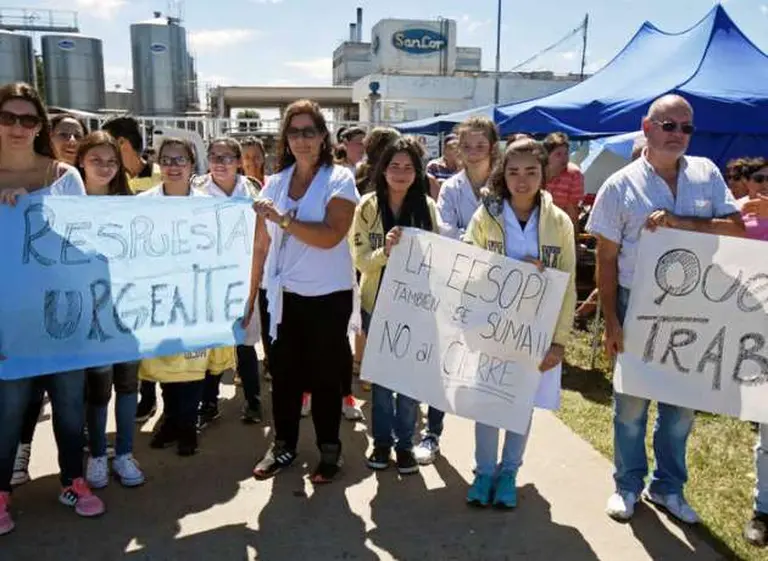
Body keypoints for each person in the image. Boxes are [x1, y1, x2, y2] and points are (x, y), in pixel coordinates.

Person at [587, 94, 744, 525]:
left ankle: (668, 487)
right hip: (635, 302)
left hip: (694, 306)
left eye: (686, 127)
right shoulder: (619, 185)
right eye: (669, 125)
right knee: (631, 407)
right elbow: (606, 258)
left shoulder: (707, 174)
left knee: (681, 409)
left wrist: (682, 223)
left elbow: (737, 229)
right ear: (647, 127)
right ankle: (627, 485)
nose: (678, 134)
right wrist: (611, 321)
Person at [0, 82, 105, 536]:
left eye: (28, 119)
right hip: (7, 320)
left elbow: (82, 244)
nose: (18, 127)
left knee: (68, 404)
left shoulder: (65, 177)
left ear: (40, 126)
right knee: (8, 409)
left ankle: (73, 480)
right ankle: (1, 492)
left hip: (63, 313)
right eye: (8, 117)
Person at [245, 99, 359, 483]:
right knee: (284, 377)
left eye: (310, 131)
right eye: (294, 132)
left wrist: (284, 221)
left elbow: (331, 236)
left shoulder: (339, 179)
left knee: (326, 377)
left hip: (328, 296)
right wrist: (251, 297)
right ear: (286, 138)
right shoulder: (275, 183)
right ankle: (283, 446)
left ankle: (329, 450)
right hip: (280, 297)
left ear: (323, 136)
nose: (302, 139)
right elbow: (261, 245)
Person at [463, 138, 576, 507]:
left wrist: (559, 340)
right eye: (513, 172)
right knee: (487, 401)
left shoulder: (558, 223)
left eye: (531, 171)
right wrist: (510, 270)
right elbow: (467, 262)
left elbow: (568, 283)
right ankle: (483, 472)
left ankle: (509, 471)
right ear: (503, 174)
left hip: (535, 332)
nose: (522, 180)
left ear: (544, 173)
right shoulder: (487, 215)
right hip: (492, 325)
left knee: (520, 403)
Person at [137, 137, 236, 456]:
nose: (173, 166)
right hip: (159, 297)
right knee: (166, 362)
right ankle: (172, 419)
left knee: (193, 363)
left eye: (180, 160)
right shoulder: (143, 203)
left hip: (198, 297)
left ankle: (187, 424)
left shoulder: (210, 205)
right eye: (166, 160)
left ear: (192, 165)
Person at [352, 137, 442, 475]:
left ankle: (405, 445)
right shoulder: (367, 206)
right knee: (381, 380)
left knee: (408, 382)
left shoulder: (427, 207)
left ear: (417, 172)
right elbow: (360, 259)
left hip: (415, 306)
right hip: (376, 303)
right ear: (382, 169)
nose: (401, 173)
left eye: (408, 167)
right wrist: (385, 252)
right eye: (394, 166)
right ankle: (381, 443)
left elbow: (438, 258)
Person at [418, 115, 499, 465]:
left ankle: (490, 454)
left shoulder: (506, 184)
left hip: (499, 288)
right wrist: (483, 241)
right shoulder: (451, 188)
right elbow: (446, 233)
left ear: (493, 147)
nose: (474, 151)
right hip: (459, 284)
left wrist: (479, 240)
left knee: (493, 367)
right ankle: (432, 432)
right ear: (458, 150)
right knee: (446, 359)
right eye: (467, 146)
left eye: (481, 145)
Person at [74, 131, 146, 488]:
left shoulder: (129, 206)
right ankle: (98, 455)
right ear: (81, 162)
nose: (104, 167)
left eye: (111, 161)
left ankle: (125, 453)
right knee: (99, 387)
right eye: (96, 160)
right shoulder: (63, 203)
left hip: (127, 308)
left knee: (128, 384)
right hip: (87, 312)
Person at [192, 137, 263, 425]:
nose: (220, 163)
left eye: (227, 157)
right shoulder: (196, 189)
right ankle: (209, 402)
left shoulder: (252, 190)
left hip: (244, 276)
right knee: (212, 342)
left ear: (238, 161)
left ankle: (253, 400)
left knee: (244, 342)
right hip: (207, 277)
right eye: (214, 156)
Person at [101, 116, 161, 194]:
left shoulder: (161, 175)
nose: (103, 149)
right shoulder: (111, 177)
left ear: (121, 142)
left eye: (107, 143)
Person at [543, 132, 584, 226]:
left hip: (560, 225)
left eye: (566, 153)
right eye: (558, 154)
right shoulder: (536, 172)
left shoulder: (574, 174)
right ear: (546, 155)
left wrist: (574, 234)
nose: (564, 158)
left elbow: (572, 210)